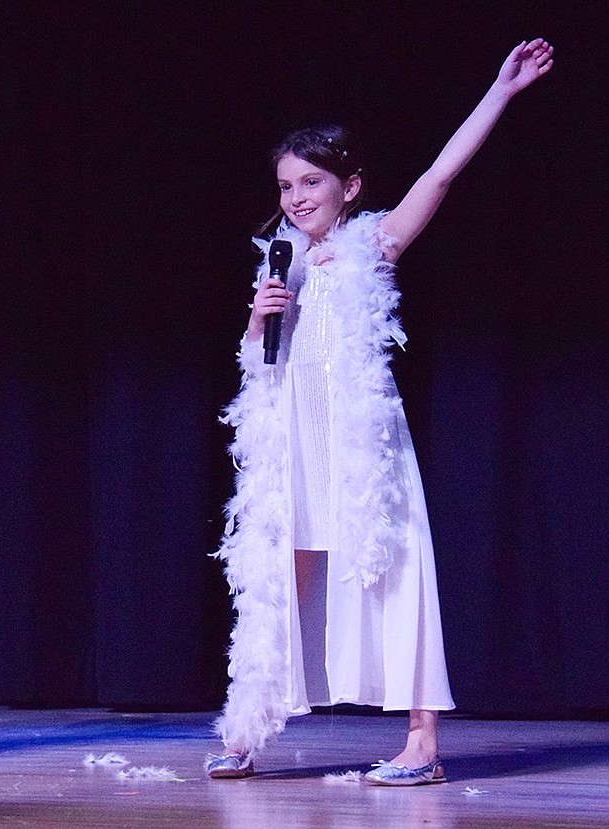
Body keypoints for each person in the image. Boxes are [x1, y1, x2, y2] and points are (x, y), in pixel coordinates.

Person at [207, 39, 553, 784]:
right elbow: (256, 365)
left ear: (350, 186)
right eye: (286, 186)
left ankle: (421, 745)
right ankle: (246, 730)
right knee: (277, 576)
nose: (297, 198)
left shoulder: (376, 244)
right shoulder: (280, 262)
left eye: (311, 181)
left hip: (362, 445)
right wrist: (260, 318)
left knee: (395, 572)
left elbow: (441, 173)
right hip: (295, 439)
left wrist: (500, 91)